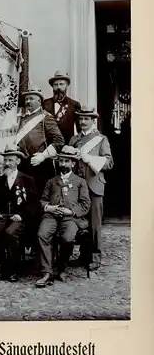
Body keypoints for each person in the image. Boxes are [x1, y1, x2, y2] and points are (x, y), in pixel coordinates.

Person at [35, 146, 91, 288]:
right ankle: (46, 272)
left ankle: (61, 266)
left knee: (68, 239)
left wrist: (70, 211)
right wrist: (50, 208)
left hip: (70, 218)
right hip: (51, 216)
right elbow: (43, 200)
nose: (63, 164)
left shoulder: (80, 182)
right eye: (61, 161)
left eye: (67, 161)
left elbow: (85, 205)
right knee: (42, 234)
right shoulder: (51, 181)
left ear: (73, 164)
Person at [69, 106, 114, 270]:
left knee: (95, 224)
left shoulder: (101, 139)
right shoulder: (73, 140)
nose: (83, 121)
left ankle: (95, 257)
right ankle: (83, 255)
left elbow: (109, 163)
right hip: (77, 187)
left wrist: (89, 158)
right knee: (81, 222)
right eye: (80, 118)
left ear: (93, 121)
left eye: (86, 119)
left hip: (94, 185)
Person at [0, 144, 38, 283]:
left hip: (20, 217)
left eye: (10, 160)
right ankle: (0, 267)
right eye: (5, 160)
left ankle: (14, 269)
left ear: (18, 161)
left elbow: (33, 204)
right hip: (2, 216)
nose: (7, 163)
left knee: (10, 233)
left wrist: (22, 215)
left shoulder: (27, 180)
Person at [16, 87, 65, 198]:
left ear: (39, 101)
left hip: (40, 163)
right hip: (25, 163)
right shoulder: (23, 119)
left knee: (39, 196)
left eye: (31, 98)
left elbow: (59, 140)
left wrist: (43, 156)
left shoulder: (46, 117)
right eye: (27, 99)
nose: (28, 101)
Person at [43, 71, 81, 144]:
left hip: (67, 145)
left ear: (66, 85)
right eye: (56, 85)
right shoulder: (45, 104)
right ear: (52, 87)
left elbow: (80, 129)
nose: (58, 87)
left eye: (61, 84)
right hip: (47, 145)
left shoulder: (74, 104)